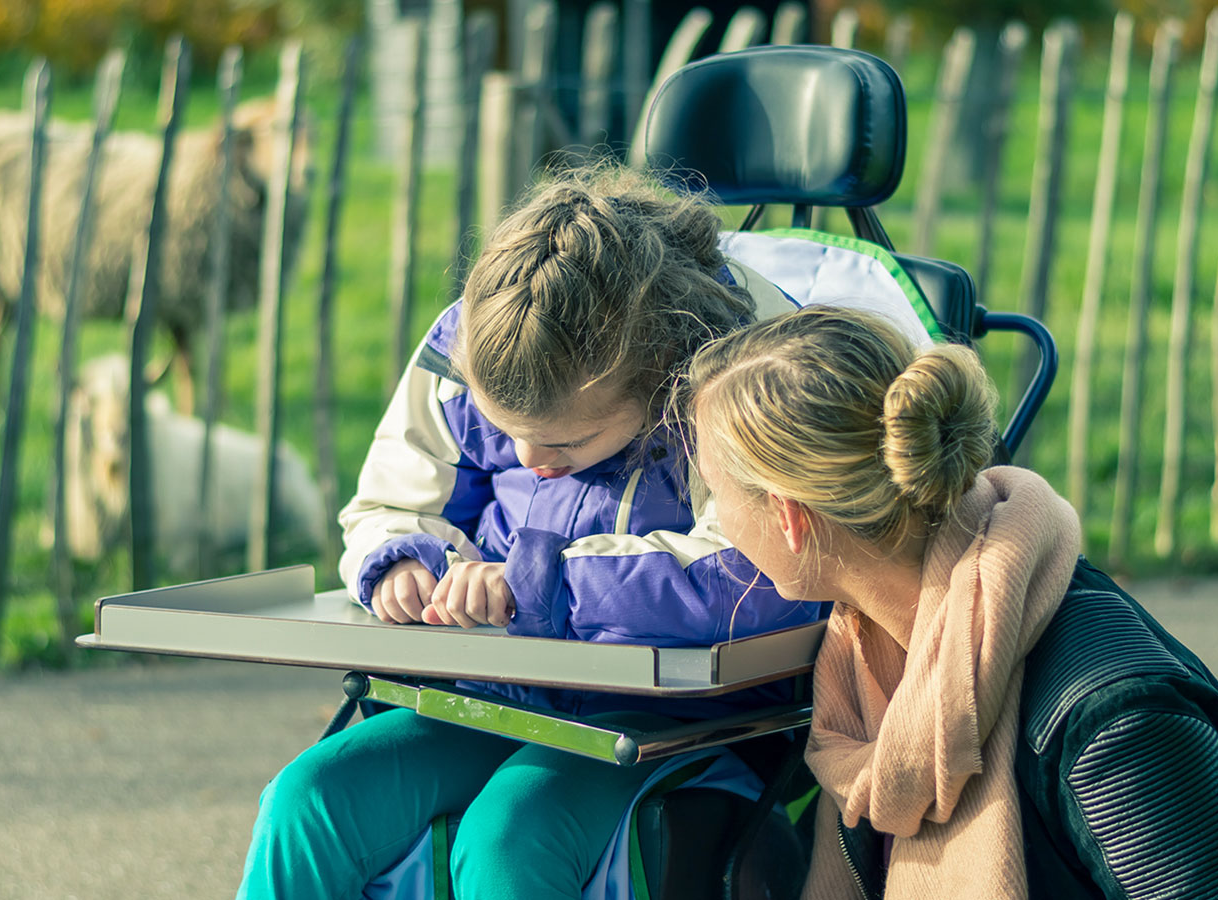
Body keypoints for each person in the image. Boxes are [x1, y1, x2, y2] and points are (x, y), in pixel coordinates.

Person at [235, 166, 820, 899]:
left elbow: (761, 574)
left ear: (660, 377)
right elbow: (394, 496)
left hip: (680, 721)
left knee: (512, 836)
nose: (527, 462)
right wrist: (404, 562)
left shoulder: (748, 370)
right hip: (498, 690)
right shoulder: (493, 330)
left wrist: (538, 586)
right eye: (507, 432)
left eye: (566, 445)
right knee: (310, 799)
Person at [683, 304, 1218, 899]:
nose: (710, 519)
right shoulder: (865, 664)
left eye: (713, 489)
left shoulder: (1111, 723)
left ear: (790, 518)